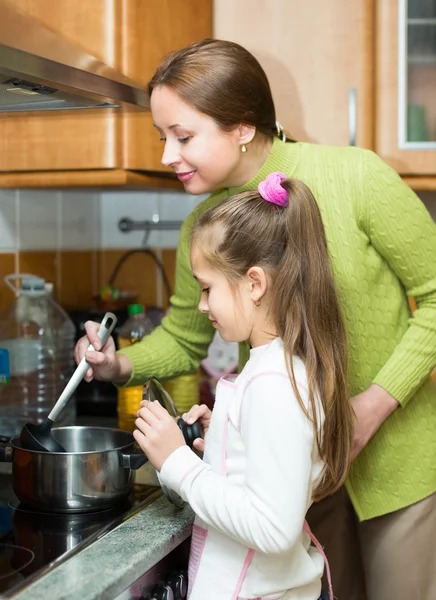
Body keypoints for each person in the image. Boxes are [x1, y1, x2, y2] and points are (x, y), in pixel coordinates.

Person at [75, 39, 436, 600]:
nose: (168, 154)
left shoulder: (356, 176)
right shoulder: (203, 225)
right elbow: (183, 336)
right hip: (296, 476)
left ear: (243, 127)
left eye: (184, 136)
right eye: (162, 137)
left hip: (400, 462)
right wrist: (115, 361)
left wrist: (373, 405)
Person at [134, 173, 353, 600]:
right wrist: (225, 439)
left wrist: (178, 462)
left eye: (207, 288)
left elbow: (272, 529)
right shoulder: (277, 370)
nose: (201, 305)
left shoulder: (276, 385)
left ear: (254, 284)